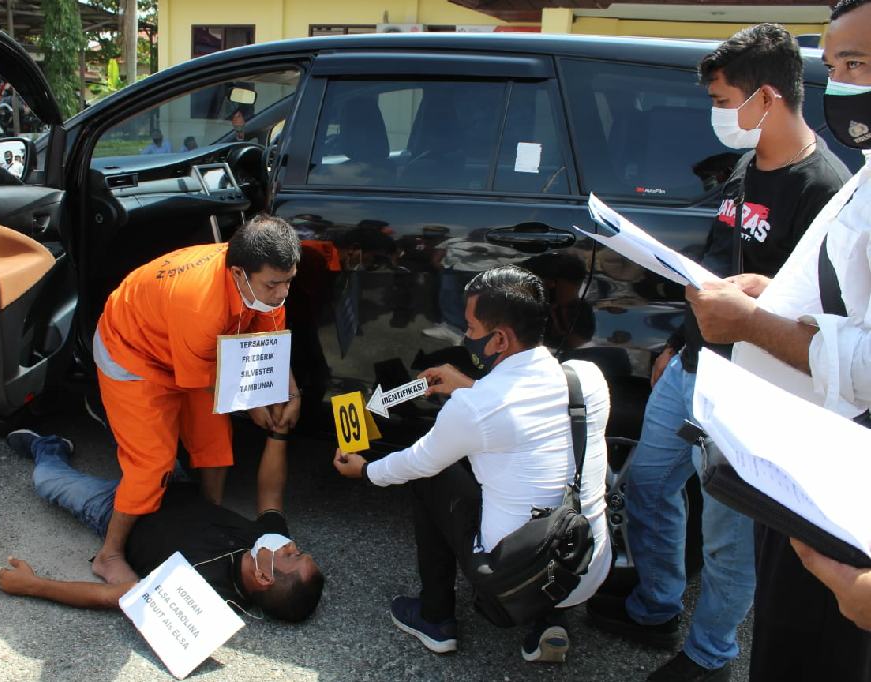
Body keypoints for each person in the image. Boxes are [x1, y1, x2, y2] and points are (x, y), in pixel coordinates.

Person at [587, 24, 851, 682]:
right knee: (647, 484)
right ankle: (656, 605)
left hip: (751, 390)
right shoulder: (743, 168)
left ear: (765, 98)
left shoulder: (824, 189)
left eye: (722, 100)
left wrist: (756, 313)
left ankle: (710, 657)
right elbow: (715, 267)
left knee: (729, 536)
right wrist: (678, 343)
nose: (716, 114)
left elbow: (824, 319)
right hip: (692, 366)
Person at [687, 2, 871, 679]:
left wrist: (752, 323)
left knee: (809, 644)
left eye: (855, 63)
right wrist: (776, 295)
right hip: (798, 451)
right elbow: (846, 304)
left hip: (837, 471)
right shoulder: (861, 172)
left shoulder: (824, 177)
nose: (839, 83)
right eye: (835, 63)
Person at [333, 265, 611, 663]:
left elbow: (417, 462)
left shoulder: (474, 408)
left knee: (432, 477)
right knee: (552, 480)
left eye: (471, 328)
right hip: (585, 566)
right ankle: (549, 620)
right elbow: (517, 414)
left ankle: (435, 618)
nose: (465, 336)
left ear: (500, 339)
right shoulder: (586, 379)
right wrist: (468, 385)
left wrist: (364, 471)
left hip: (508, 578)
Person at [91, 214, 302, 586]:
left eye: (289, 281)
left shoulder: (262, 281)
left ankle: (207, 513)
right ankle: (109, 555)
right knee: (152, 464)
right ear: (238, 274)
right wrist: (253, 402)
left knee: (215, 442)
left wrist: (290, 390)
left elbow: (268, 339)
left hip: (192, 351)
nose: (282, 293)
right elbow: (208, 383)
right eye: (273, 284)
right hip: (133, 354)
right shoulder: (200, 305)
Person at [0, 429, 323, 622]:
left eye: (293, 556)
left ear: (264, 577)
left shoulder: (204, 598)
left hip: (114, 512)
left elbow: (112, 596)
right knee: (138, 418)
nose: (292, 546)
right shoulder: (270, 544)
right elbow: (271, 496)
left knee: (46, 478)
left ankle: (48, 447)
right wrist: (278, 433)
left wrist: (32, 586)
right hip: (170, 480)